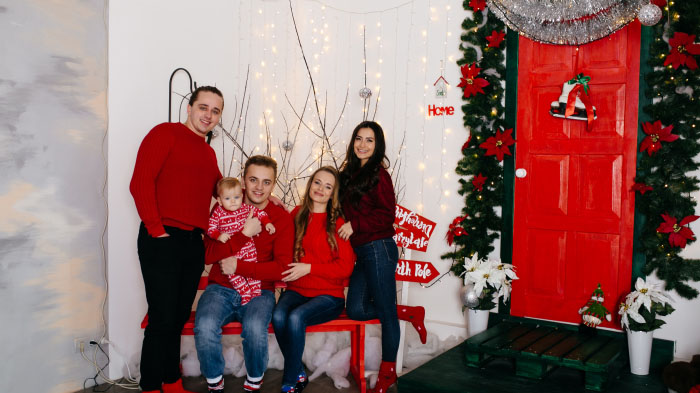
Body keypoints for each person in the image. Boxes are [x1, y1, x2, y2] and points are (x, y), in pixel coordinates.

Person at [130, 86, 224, 393]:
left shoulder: (208, 152)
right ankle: (150, 385)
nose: (208, 115)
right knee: (162, 317)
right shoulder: (164, 134)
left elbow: (223, 192)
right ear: (190, 107)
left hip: (192, 243)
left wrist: (263, 197)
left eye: (215, 111)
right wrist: (156, 230)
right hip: (163, 237)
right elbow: (140, 182)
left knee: (178, 316)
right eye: (204, 107)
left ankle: (171, 381)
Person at [338, 121, 427, 393]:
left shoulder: (379, 175)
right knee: (356, 309)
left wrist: (355, 224)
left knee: (385, 313)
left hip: (379, 248)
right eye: (359, 139)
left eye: (370, 140)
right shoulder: (347, 174)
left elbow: (387, 215)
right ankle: (409, 314)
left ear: (378, 146)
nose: (362, 145)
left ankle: (388, 372)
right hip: (361, 252)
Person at [194, 155, 294, 393]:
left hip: (260, 289)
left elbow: (281, 266)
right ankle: (214, 383)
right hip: (221, 287)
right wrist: (243, 236)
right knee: (205, 325)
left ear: (273, 184)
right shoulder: (221, 209)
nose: (259, 188)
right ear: (242, 181)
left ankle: (254, 381)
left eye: (266, 182)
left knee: (255, 327)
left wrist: (240, 267)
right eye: (253, 180)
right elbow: (207, 255)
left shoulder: (280, 218)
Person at [272, 166, 355, 393]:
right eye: (317, 183)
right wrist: (270, 201)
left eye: (328, 186)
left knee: (296, 318)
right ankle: (298, 370)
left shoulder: (338, 223)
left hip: (329, 296)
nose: (321, 189)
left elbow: (346, 267)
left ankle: (290, 383)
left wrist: (309, 268)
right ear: (310, 185)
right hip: (297, 290)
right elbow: (277, 235)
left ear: (333, 194)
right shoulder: (296, 214)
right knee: (278, 316)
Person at [207, 177, 276, 305]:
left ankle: (255, 293)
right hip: (231, 253)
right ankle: (245, 294)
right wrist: (218, 235)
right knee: (233, 274)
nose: (233, 202)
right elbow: (210, 228)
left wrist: (267, 223)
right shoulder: (218, 213)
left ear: (241, 196)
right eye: (227, 199)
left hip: (248, 248)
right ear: (220, 201)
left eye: (237, 198)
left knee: (251, 271)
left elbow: (260, 213)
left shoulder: (245, 208)